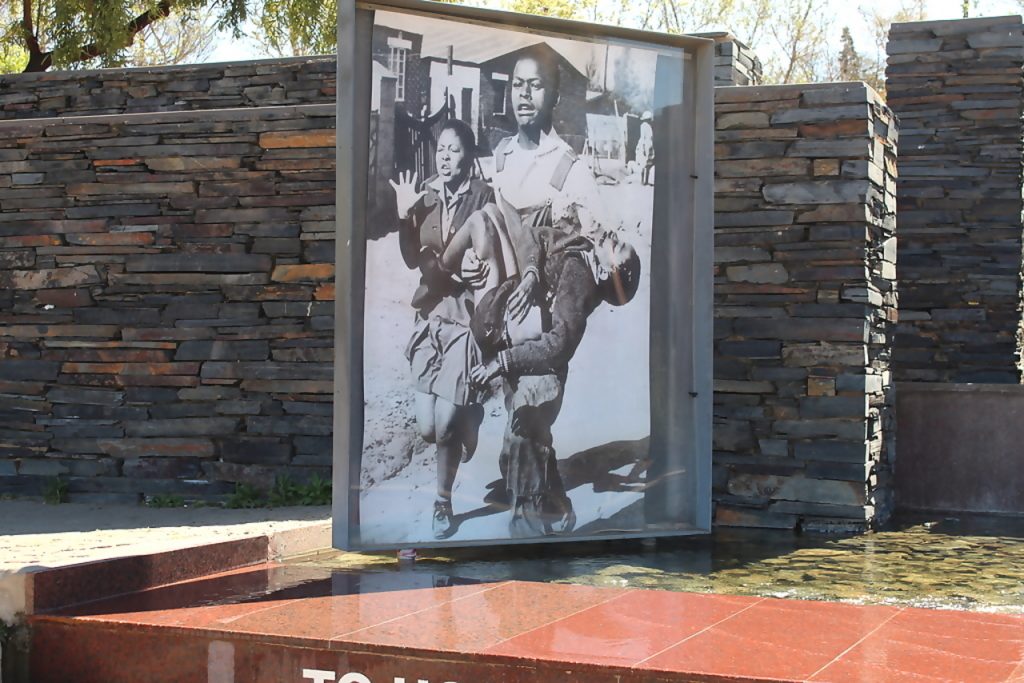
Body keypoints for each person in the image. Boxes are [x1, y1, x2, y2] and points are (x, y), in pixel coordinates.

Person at [470, 227, 642, 537]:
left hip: (539, 370)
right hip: (522, 351)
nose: (611, 235)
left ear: (606, 272)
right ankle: (548, 499)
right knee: (524, 443)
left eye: (617, 244)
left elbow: (559, 345)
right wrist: (532, 273)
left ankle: (528, 533)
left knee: (524, 436)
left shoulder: (582, 281)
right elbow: (536, 234)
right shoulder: (582, 247)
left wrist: (503, 362)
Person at [389, 118, 502, 539]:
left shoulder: (484, 197)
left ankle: (443, 501)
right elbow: (409, 257)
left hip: (466, 320)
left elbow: (497, 255)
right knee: (427, 427)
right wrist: (403, 216)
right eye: (442, 149)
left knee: (446, 425)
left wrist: (481, 264)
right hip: (430, 314)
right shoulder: (427, 197)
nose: (446, 156)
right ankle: (471, 416)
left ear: (469, 156)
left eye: (455, 150)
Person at [636, 110, 654, 186]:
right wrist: (643, 148)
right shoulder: (643, 125)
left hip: (649, 146)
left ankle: (646, 180)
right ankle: (642, 181)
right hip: (645, 145)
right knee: (644, 164)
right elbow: (643, 137)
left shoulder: (649, 126)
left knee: (648, 164)